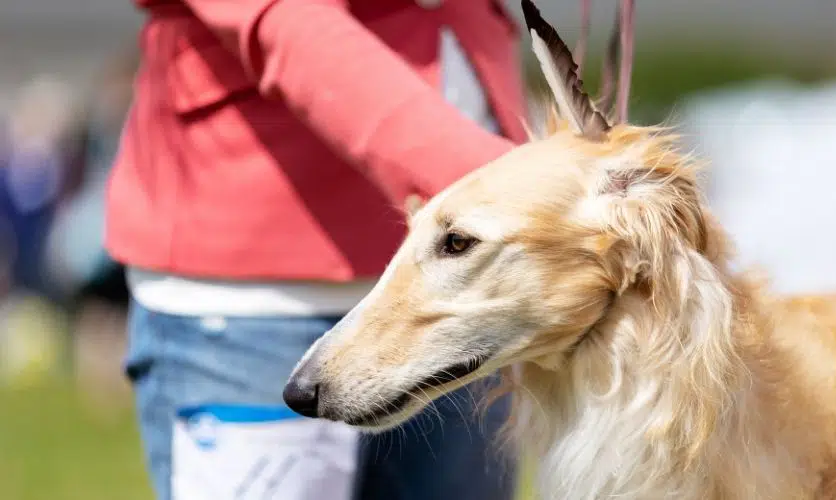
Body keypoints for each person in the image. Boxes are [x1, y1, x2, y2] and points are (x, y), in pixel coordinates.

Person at [105, 1, 528, 499]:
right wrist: (511, 188)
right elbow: (288, 17)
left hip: (471, 288)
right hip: (254, 291)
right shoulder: (505, 192)